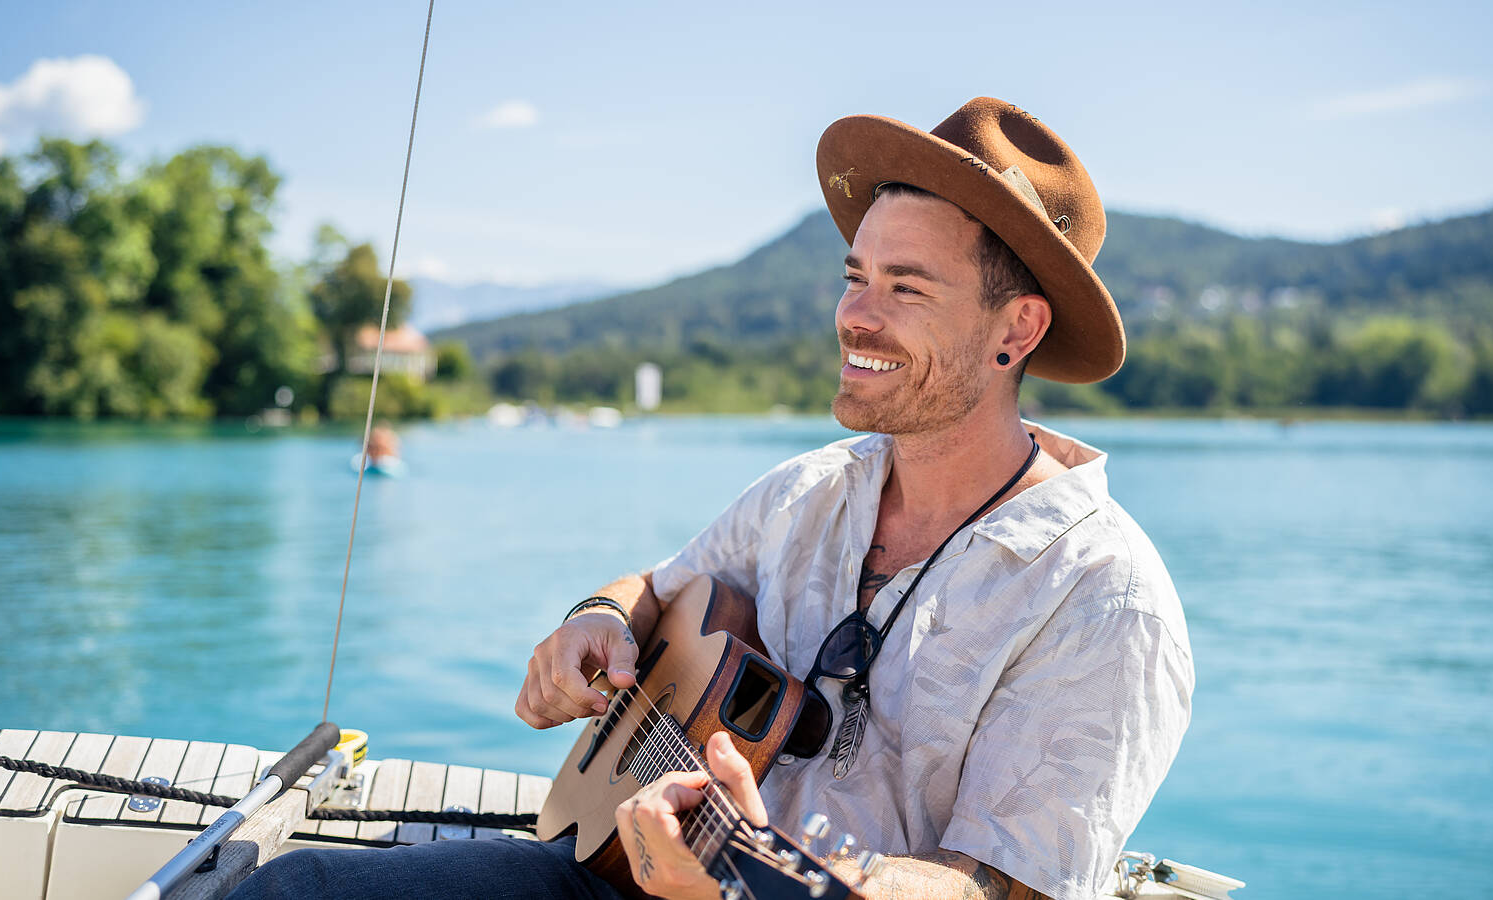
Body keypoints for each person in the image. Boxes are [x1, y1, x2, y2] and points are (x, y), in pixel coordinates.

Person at [232, 97, 1193, 900]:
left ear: (1015, 330)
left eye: (905, 288)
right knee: (285, 888)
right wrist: (595, 618)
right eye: (856, 276)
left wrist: (751, 874)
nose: (854, 314)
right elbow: (659, 587)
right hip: (616, 872)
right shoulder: (811, 490)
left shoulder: (1104, 594)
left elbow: (996, 888)